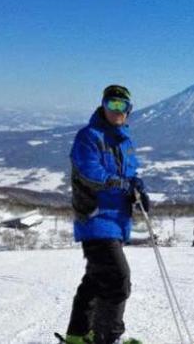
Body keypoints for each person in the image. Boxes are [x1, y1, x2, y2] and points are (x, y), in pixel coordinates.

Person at [65, 85, 148, 344]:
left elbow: (130, 174)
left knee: (97, 278)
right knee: (117, 280)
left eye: (122, 106)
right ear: (103, 105)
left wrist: (138, 188)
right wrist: (119, 184)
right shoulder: (89, 136)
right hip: (95, 217)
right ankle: (108, 339)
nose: (117, 110)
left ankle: (78, 335)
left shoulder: (125, 140)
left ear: (129, 110)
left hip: (117, 220)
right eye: (111, 104)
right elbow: (89, 171)